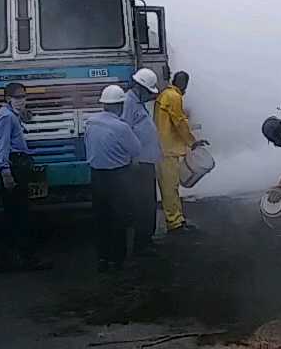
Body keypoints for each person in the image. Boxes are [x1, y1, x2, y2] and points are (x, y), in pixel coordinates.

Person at [0, 82, 51, 271]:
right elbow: (1, 145)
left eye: (24, 96)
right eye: (18, 97)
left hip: (15, 165)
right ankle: (25, 258)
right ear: (8, 98)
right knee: (19, 216)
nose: (22, 100)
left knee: (14, 216)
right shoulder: (6, 117)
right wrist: (6, 172)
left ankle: (9, 260)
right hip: (12, 167)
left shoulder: (11, 115)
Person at [85, 85, 142, 271]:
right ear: (119, 105)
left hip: (96, 176)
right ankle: (117, 260)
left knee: (101, 219)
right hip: (118, 176)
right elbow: (136, 150)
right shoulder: (121, 127)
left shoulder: (91, 123)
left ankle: (102, 258)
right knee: (119, 219)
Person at [154, 70, 204, 234]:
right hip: (167, 150)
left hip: (164, 148)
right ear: (184, 85)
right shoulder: (174, 97)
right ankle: (175, 223)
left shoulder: (165, 94)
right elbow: (179, 123)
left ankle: (177, 219)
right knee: (170, 188)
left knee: (171, 187)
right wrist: (193, 142)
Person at [121, 67, 162, 256]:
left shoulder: (136, 102)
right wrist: (133, 158)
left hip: (146, 160)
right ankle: (142, 243)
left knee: (148, 202)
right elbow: (125, 132)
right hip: (139, 163)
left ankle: (146, 239)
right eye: (148, 92)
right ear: (140, 88)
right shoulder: (128, 103)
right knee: (143, 203)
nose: (149, 96)